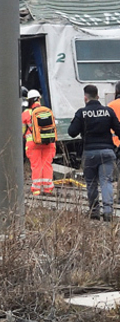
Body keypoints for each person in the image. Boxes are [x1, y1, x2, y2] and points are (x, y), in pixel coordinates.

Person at [68, 85, 120, 221]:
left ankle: (94, 211)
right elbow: (118, 130)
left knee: (91, 183)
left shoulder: (82, 113)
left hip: (90, 153)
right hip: (107, 152)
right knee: (106, 181)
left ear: (85, 98)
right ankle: (108, 211)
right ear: (98, 96)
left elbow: (72, 132)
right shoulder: (108, 112)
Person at [24, 89, 57, 196]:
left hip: (33, 144)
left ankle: (36, 190)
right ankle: (48, 189)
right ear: (39, 99)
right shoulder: (47, 111)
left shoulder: (26, 113)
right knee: (47, 164)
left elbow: (21, 131)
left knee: (36, 165)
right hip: (49, 143)